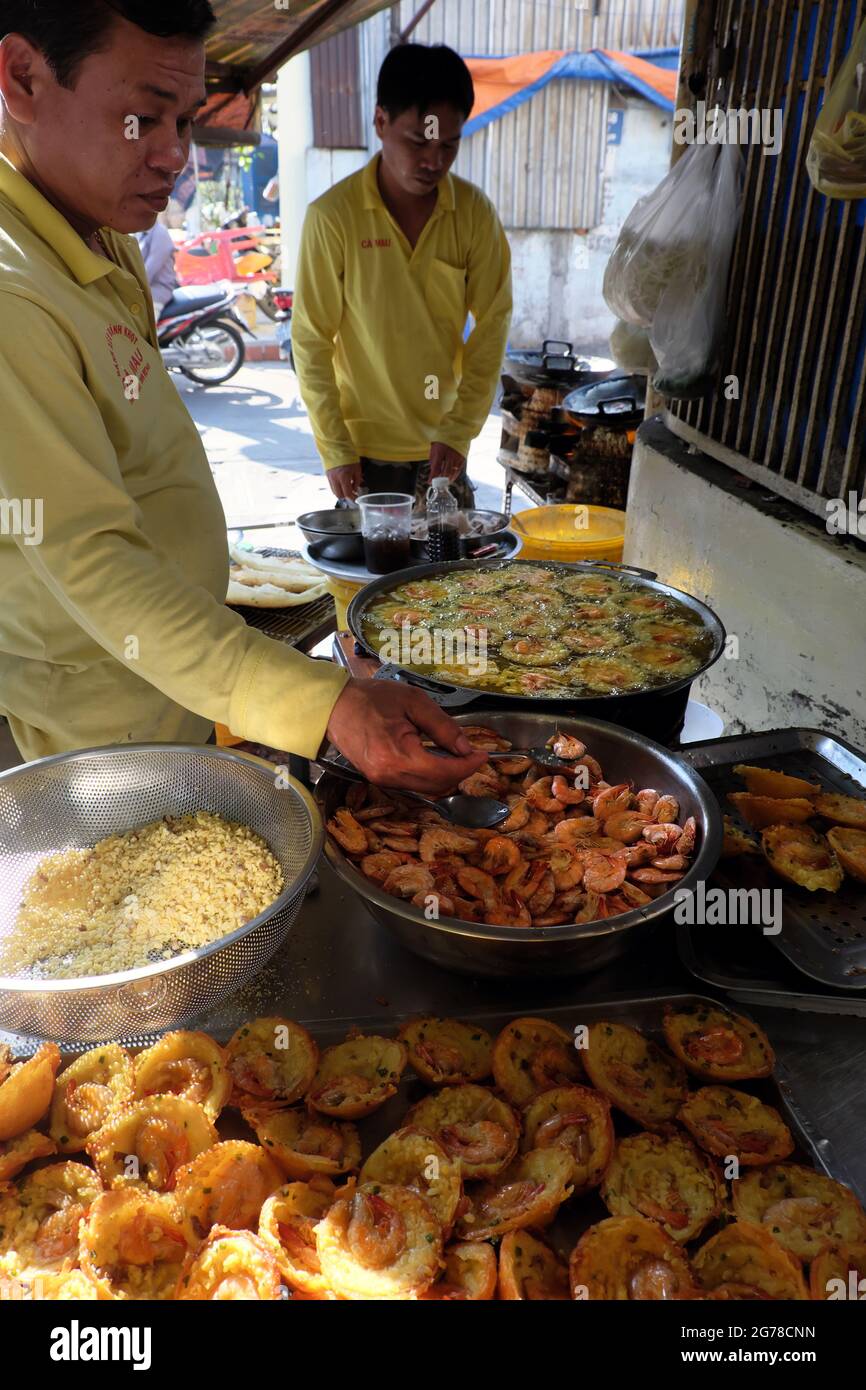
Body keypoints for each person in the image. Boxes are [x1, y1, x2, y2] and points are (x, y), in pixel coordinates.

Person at [0, 0, 488, 794]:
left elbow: (137, 465)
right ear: (23, 78)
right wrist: (328, 708)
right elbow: (89, 559)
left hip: (179, 676)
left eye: (187, 123)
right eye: (143, 119)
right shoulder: (12, 293)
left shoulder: (103, 239)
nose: (174, 158)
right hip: (102, 722)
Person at [292, 43, 512, 508]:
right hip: (361, 454)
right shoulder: (333, 218)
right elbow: (311, 340)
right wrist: (334, 448)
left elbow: (492, 326)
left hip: (443, 451)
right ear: (380, 123)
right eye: (417, 142)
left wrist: (459, 429)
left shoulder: (474, 215)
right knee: (368, 581)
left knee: (453, 581)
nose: (433, 160)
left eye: (448, 145)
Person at [134, 217, 177, 320]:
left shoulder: (160, 233)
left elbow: (148, 271)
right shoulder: (139, 233)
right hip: (143, 289)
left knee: (143, 330)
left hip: (158, 291)